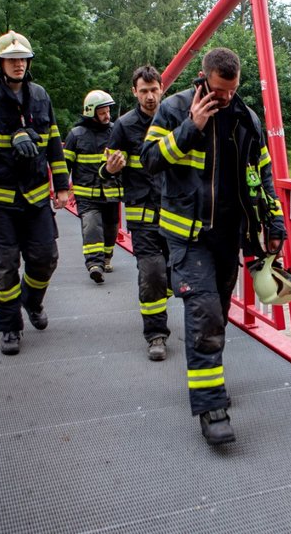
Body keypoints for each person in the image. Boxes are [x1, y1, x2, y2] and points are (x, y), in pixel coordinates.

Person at [141, 47, 286, 445]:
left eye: (232, 90)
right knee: (205, 316)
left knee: (217, 315)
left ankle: (211, 382)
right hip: (188, 237)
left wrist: (274, 222)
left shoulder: (246, 117)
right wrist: (191, 128)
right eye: (219, 90)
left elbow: (263, 174)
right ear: (203, 78)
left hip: (230, 236)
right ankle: (210, 407)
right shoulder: (174, 108)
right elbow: (150, 159)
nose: (225, 98)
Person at [0, 30, 71, 356]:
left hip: (36, 197)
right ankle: (10, 327)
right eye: (11, 60)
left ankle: (32, 301)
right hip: (0, 200)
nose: (18, 64)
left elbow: (54, 143)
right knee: (5, 265)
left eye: (22, 59)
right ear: (0, 63)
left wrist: (62, 186)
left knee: (45, 259)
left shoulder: (40, 96)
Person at [104, 66, 171, 361]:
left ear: (162, 88)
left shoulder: (175, 119)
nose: (149, 96)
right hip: (142, 215)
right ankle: (156, 334)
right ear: (134, 92)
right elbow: (105, 172)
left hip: (175, 213)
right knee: (152, 272)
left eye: (154, 89)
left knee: (174, 273)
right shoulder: (122, 126)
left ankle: (159, 298)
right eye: (143, 91)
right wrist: (110, 169)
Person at [63, 90, 123, 283]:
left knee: (111, 228)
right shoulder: (76, 135)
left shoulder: (115, 131)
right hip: (86, 195)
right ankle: (94, 264)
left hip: (111, 192)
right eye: (103, 112)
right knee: (91, 227)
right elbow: (65, 165)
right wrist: (62, 188)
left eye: (108, 111)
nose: (107, 116)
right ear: (91, 112)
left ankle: (106, 257)